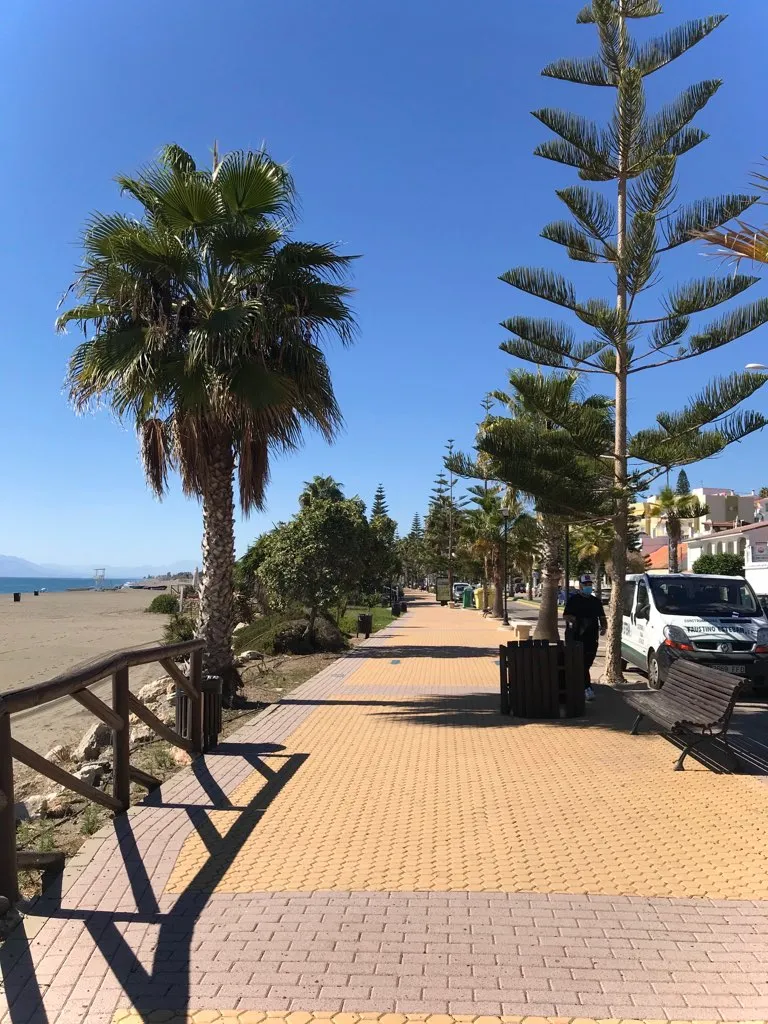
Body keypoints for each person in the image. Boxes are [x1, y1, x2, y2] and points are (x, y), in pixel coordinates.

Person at [563, 575, 607, 702]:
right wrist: (577, 621)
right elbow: (566, 615)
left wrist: (604, 627)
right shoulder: (574, 600)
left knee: (587, 663)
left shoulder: (595, 601)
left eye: (589, 584)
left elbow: (602, 616)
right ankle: (586, 688)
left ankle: (583, 686)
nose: (588, 586)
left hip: (592, 637)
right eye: (585, 584)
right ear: (580, 586)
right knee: (580, 663)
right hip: (577, 636)